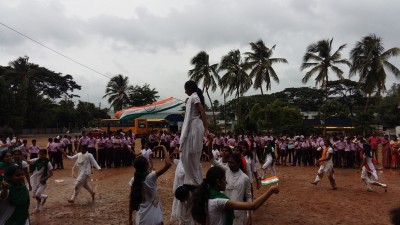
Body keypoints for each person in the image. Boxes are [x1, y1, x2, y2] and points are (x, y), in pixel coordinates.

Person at [191, 166, 279, 225]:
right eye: (224, 179)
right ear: (218, 182)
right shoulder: (218, 201)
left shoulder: (206, 195)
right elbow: (253, 205)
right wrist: (270, 190)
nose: (226, 182)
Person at [129, 145, 172, 225]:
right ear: (146, 166)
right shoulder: (151, 177)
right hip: (154, 217)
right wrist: (163, 148)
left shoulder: (133, 180)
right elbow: (168, 164)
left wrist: (130, 219)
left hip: (141, 217)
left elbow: (132, 200)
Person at [179, 80, 208, 185]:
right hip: (193, 126)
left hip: (195, 127)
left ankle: (195, 182)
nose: (185, 91)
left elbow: (202, 111)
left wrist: (206, 129)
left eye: (185, 89)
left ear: (190, 88)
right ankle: (193, 180)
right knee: (186, 155)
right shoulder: (193, 97)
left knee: (190, 154)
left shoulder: (195, 97)